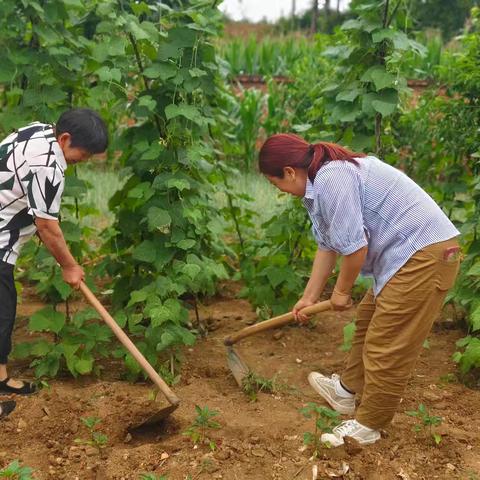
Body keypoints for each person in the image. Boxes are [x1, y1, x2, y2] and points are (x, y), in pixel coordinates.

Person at [258, 133, 460, 447]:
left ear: (289, 172)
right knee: (367, 321)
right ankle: (346, 392)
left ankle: (369, 425)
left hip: (425, 254)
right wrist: (309, 297)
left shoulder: (331, 178)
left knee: (388, 343)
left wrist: (340, 293)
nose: (281, 191)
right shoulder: (318, 185)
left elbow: (355, 250)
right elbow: (327, 246)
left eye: (277, 184)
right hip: (405, 256)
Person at [0, 108, 108, 403]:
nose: (82, 162)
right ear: (65, 138)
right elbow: (47, 226)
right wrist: (70, 267)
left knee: (3, 310)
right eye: (83, 155)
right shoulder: (49, 166)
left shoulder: (37, 130)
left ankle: (1, 379)